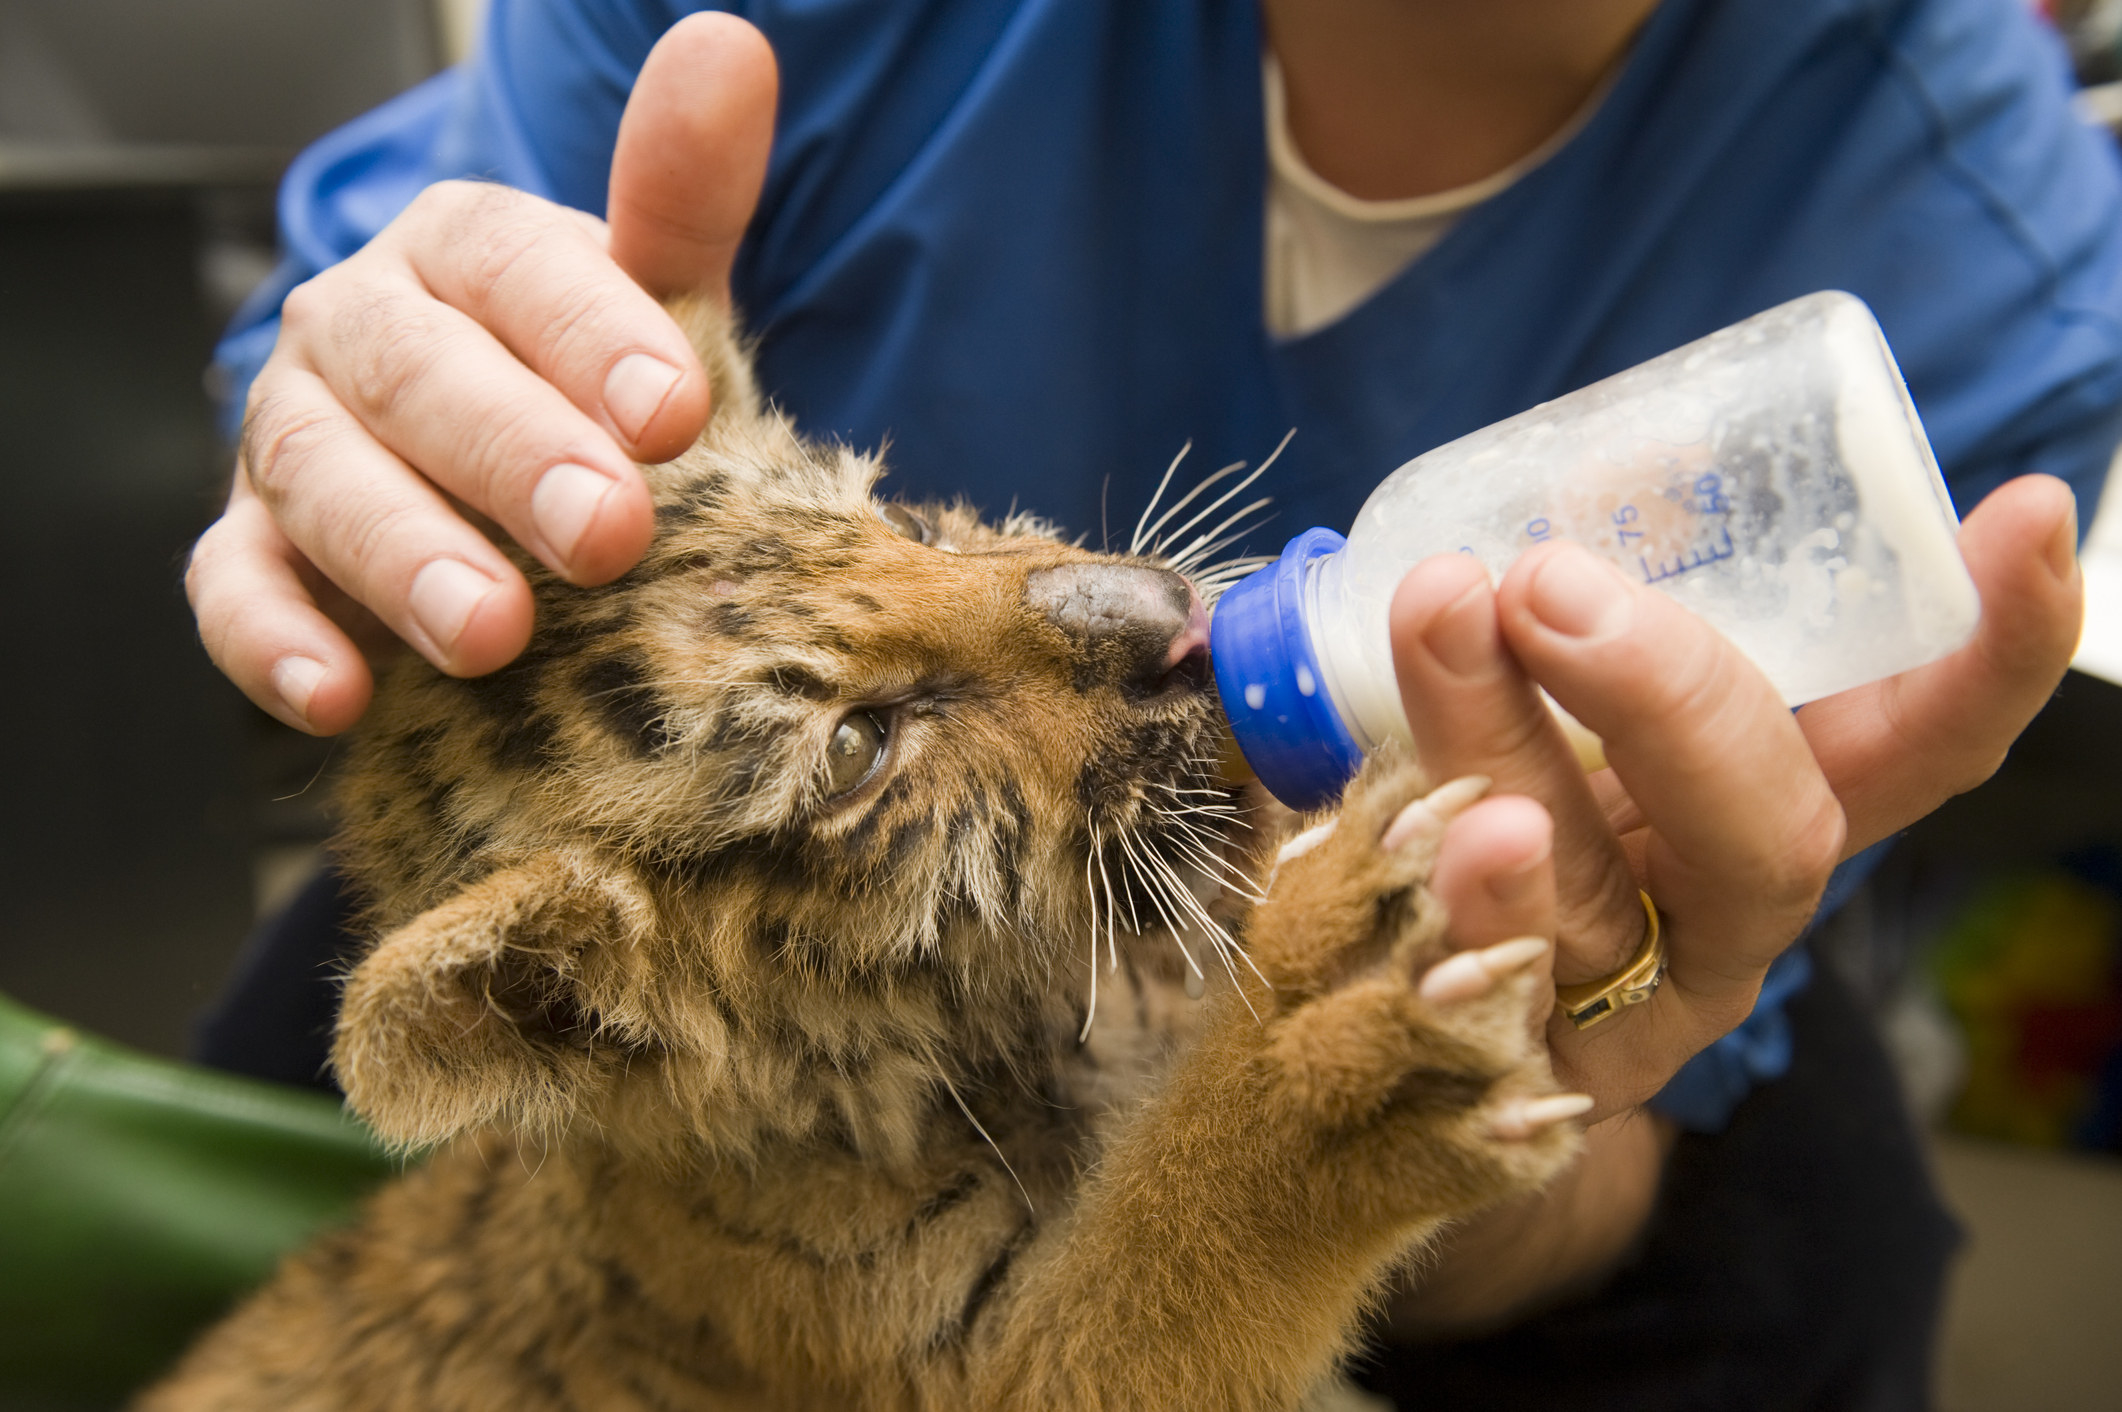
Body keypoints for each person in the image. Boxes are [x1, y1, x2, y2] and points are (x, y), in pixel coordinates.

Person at [186, 0, 2114, 1405]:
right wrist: (349, 457)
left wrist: (1454, 1049)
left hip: (1506, 998)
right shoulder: (600, 998)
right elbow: (380, 419)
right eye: (862, 737)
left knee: (1818, 1254)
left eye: (901, 512)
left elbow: (1574, 1055)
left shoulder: (1995, 265)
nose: (1097, 602)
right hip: (727, 1030)